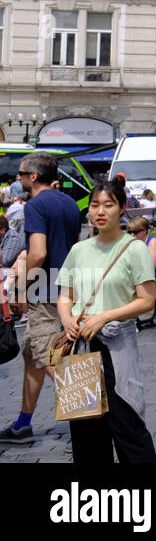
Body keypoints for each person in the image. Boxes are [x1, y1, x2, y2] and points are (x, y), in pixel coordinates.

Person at [55, 177, 156, 463]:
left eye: (108, 205)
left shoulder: (134, 249)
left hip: (116, 347)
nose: (100, 211)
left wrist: (104, 316)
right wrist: (67, 320)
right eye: (95, 205)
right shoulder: (79, 250)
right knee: (86, 433)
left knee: (128, 424)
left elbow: (147, 300)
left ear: (122, 208)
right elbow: (66, 296)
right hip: (80, 347)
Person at [0, 152, 82, 445]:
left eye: (20, 174)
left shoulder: (35, 205)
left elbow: (38, 253)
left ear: (33, 177)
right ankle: (23, 424)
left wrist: (20, 288)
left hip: (45, 291)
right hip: (67, 289)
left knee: (48, 358)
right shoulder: (69, 203)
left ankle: (88, 415)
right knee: (32, 355)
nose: (17, 179)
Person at [126, 217, 156, 295]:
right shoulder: (133, 243)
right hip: (136, 277)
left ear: (144, 231)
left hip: (153, 279)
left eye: (135, 232)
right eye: (129, 232)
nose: (132, 235)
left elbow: (149, 268)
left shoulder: (152, 243)